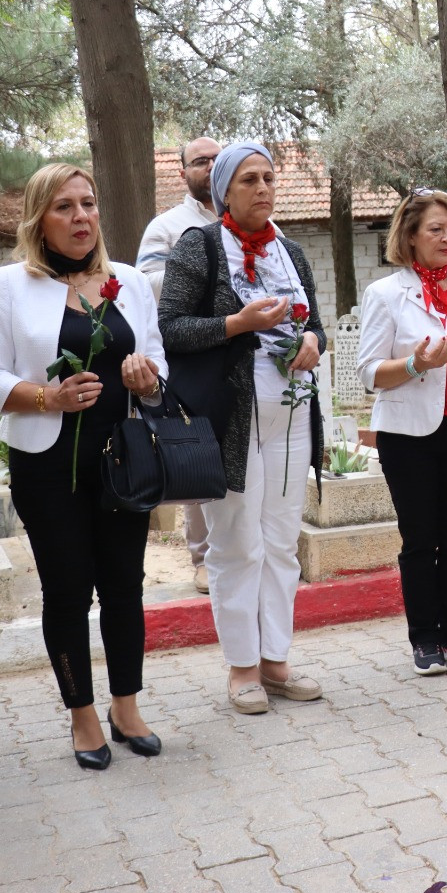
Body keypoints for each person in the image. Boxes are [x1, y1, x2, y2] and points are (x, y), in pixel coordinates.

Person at [0, 163, 167, 769]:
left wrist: (148, 381)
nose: (81, 216)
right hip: (47, 462)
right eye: (64, 206)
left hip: (123, 457)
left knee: (125, 583)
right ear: (40, 219)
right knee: (66, 590)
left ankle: (126, 707)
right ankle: (82, 715)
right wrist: (47, 397)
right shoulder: (12, 283)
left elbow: (158, 363)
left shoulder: (129, 281)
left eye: (88, 203)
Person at [159, 142, 327, 714]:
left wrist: (312, 340)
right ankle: (242, 669)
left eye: (269, 178)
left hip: (292, 413)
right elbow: (171, 327)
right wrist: (236, 324)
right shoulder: (201, 246)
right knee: (237, 544)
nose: (262, 188)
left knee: (281, 543)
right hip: (233, 419)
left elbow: (316, 324)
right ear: (224, 191)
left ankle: (276, 661)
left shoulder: (291, 251)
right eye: (249, 179)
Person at [356, 189, 447, 675]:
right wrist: (416, 364)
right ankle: (425, 639)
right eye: (435, 230)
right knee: (420, 540)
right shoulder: (385, 294)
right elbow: (369, 373)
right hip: (407, 435)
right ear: (410, 236)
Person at [138, 137, 221, 595]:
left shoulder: (257, 222)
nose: (209, 167)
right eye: (200, 161)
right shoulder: (167, 226)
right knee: (200, 451)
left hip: (245, 357)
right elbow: (146, 283)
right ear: (183, 171)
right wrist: (205, 271)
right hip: (191, 355)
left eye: (216, 159)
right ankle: (204, 559)